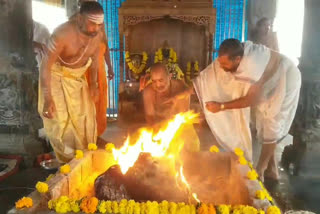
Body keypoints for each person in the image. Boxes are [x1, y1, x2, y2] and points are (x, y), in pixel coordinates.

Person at [206, 39, 301, 181]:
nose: (222, 67)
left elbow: (252, 100)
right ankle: (272, 169)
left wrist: (221, 106)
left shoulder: (252, 67)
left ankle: (260, 171)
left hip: (285, 79)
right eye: (220, 62)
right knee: (263, 121)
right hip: (268, 79)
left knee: (271, 123)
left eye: (225, 64)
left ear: (238, 59)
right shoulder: (234, 53)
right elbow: (209, 75)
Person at [38, 2, 105, 163]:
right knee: (61, 124)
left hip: (77, 79)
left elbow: (95, 59)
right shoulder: (61, 34)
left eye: (99, 25)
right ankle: (66, 164)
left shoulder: (97, 34)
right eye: (92, 24)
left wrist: (94, 84)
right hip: (56, 78)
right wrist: (48, 98)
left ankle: (82, 161)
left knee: (84, 121)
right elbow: (45, 67)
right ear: (80, 18)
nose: (95, 29)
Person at [71, 0, 114, 137]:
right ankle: (84, 138)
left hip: (99, 70)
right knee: (85, 104)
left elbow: (105, 45)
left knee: (100, 103)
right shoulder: (74, 22)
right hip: (83, 71)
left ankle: (96, 136)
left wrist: (110, 66)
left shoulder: (98, 23)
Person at [142, 63, 200, 152]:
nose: (158, 85)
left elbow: (182, 117)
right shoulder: (149, 91)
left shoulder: (180, 88)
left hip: (181, 127)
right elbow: (150, 116)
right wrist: (157, 133)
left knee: (188, 149)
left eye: (161, 80)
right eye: (154, 81)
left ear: (169, 76)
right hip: (159, 126)